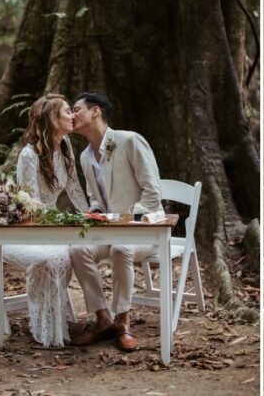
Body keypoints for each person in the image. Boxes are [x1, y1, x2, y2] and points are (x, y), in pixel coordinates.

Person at [69, 92, 162, 352]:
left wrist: (127, 220)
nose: (71, 115)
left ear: (95, 111)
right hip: (109, 233)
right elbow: (94, 198)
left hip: (144, 231)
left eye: (76, 109)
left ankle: (123, 320)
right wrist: (95, 212)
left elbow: (153, 193)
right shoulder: (85, 157)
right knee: (77, 249)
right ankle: (103, 319)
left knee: (122, 248)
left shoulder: (130, 141)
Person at [6, 94, 90, 348]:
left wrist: (91, 215)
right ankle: (46, 327)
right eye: (67, 112)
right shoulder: (29, 156)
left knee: (70, 253)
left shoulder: (65, 146)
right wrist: (62, 221)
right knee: (57, 257)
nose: (73, 115)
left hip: (54, 224)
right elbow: (31, 206)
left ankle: (53, 322)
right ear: (53, 119)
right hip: (31, 227)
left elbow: (74, 187)